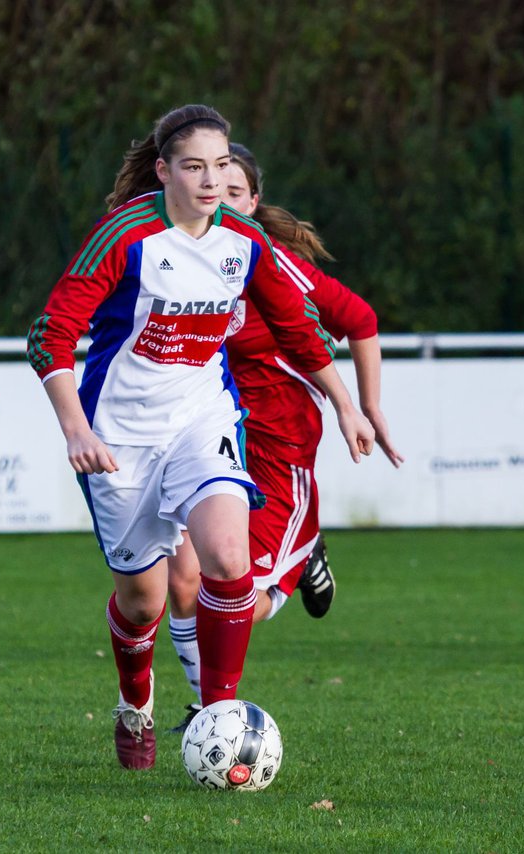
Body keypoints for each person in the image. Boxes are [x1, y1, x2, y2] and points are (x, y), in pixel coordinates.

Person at [26, 104, 375, 769]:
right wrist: (75, 428)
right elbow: (50, 332)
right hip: (119, 435)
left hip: (202, 420)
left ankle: (220, 718)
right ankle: (135, 703)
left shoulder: (243, 241)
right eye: (194, 166)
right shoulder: (126, 235)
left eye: (221, 165)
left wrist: (346, 405)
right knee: (145, 599)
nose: (211, 180)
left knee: (224, 557)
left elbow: (300, 327)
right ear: (163, 172)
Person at [162, 142, 404, 731]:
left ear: (254, 199)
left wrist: (365, 407)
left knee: (243, 595)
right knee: (182, 579)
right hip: (210, 436)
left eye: (236, 190)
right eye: (211, 182)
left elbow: (360, 320)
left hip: (279, 447)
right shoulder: (181, 253)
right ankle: (209, 711)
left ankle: (297, 563)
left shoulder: (267, 260)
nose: (223, 199)